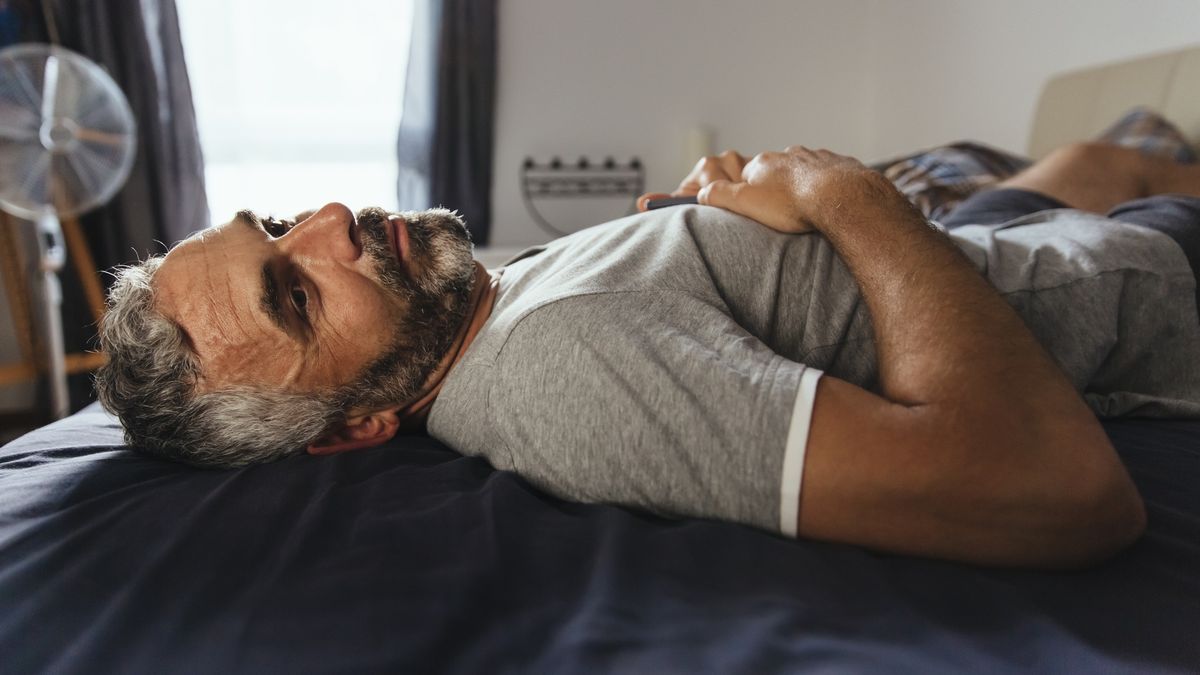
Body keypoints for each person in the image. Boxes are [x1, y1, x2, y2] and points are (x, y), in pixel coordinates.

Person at [94, 139, 1200, 570]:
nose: (331, 220)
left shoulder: (474, 300)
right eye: (294, 290)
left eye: (279, 224)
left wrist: (699, 218)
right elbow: (1050, 493)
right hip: (1154, 284)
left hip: (1001, 231)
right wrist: (840, 193)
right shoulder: (556, 371)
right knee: (1125, 171)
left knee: (1098, 152)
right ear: (356, 429)